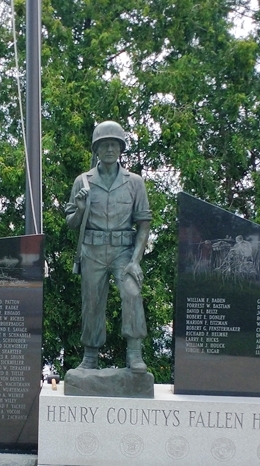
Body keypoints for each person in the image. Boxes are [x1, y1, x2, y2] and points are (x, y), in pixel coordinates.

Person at [65, 121, 151, 373]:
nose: (110, 149)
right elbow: (71, 223)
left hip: (123, 251)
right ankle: (90, 356)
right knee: (91, 302)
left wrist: (135, 260)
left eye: (114, 144)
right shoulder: (83, 181)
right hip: (92, 250)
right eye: (104, 145)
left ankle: (134, 353)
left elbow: (143, 224)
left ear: (121, 149)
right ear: (97, 149)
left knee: (132, 293)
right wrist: (80, 209)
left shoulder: (134, 182)